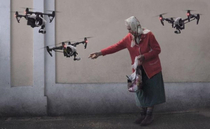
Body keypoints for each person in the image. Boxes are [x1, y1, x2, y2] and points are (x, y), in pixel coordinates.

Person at [89, 16, 166, 126]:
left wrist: (144, 57)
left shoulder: (149, 35)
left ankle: (149, 115)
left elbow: (157, 50)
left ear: (135, 26)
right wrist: (100, 53)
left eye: (129, 28)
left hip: (151, 69)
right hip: (138, 70)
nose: (128, 31)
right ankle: (142, 113)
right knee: (139, 91)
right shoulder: (129, 38)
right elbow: (116, 46)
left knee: (151, 92)